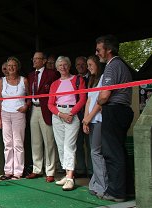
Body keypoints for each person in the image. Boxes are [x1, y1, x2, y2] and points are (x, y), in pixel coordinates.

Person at [96, 35, 134, 202]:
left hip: (114, 110)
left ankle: (116, 192)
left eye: (98, 50)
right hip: (123, 110)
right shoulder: (122, 65)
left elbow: (104, 96)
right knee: (120, 151)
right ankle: (128, 189)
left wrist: (98, 100)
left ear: (108, 50)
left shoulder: (112, 66)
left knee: (112, 152)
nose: (96, 53)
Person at [48, 56, 87, 191]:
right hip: (58, 115)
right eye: (60, 65)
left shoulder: (78, 80)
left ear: (69, 66)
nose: (63, 67)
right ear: (57, 68)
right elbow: (50, 104)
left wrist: (71, 114)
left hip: (72, 114)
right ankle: (66, 174)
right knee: (60, 146)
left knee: (69, 145)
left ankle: (70, 177)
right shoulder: (54, 84)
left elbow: (82, 99)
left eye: (65, 65)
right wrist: (60, 114)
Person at [26, 51, 59, 183]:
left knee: (49, 141)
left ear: (44, 61)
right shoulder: (30, 75)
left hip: (46, 109)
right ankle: (36, 169)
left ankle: (50, 171)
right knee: (35, 141)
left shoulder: (52, 74)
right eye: (33, 59)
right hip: (34, 108)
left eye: (37, 59)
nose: (34, 61)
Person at [0, 57, 30, 180]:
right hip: (5, 114)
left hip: (18, 114)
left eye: (13, 65)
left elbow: (30, 97)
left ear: (18, 67)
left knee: (18, 143)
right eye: (8, 65)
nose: (10, 68)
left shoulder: (23, 80)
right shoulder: (2, 81)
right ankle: (8, 171)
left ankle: (18, 172)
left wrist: (26, 106)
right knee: (8, 143)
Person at [82, 55, 106, 197]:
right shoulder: (91, 80)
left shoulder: (103, 79)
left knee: (96, 152)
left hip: (99, 119)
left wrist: (90, 117)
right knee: (93, 151)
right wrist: (86, 119)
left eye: (91, 64)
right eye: (88, 64)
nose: (89, 67)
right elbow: (88, 100)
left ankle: (102, 185)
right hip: (91, 120)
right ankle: (96, 182)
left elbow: (99, 101)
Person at [74, 56, 92, 178]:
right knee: (78, 143)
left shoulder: (92, 78)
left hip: (90, 113)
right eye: (78, 65)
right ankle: (80, 169)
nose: (80, 67)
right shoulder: (74, 80)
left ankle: (92, 170)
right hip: (77, 113)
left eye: (82, 64)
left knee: (90, 143)